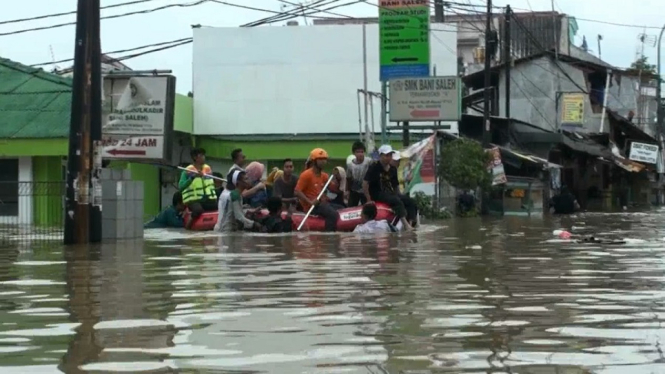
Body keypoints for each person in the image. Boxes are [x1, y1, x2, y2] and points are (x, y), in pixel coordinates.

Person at [363, 145, 417, 231]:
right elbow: (365, 183)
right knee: (396, 201)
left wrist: (399, 195)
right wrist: (368, 199)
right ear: (380, 156)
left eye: (390, 155)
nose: (389, 158)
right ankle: (406, 225)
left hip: (389, 192)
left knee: (410, 201)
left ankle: (411, 224)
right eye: (386, 155)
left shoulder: (393, 169)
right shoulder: (374, 167)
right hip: (377, 193)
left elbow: (395, 185)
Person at [295, 148, 339, 232]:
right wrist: (310, 202)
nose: (323, 161)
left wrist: (338, 178)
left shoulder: (324, 176)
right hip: (311, 206)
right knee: (333, 214)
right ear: (314, 161)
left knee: (341, 208)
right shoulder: (306, 175)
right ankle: (329, 236)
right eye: (320, 159)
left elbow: (335, 189)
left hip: (321, 204)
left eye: (325, 159)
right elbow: (297, 191)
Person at [179, 148, 218, 229]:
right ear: (195, 157)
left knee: (220, 206)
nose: (204, 157)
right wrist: (192, 178)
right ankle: (187, 228)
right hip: (194, 201)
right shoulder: (186, 171)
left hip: (207, 199)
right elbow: (181, 187)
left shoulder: (207, 169)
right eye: (201, 155)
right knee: (198, 210)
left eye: (204, 155)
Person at [346, 141, 372, 207]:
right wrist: (347, 190)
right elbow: (349, 179)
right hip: (355, 189)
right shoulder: (350, 165)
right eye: (358, 152)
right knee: (350, 207)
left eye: (362, 152)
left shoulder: (369, 162)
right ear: (354, 153)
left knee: (367, 207)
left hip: (366, 190)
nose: (360, 154)